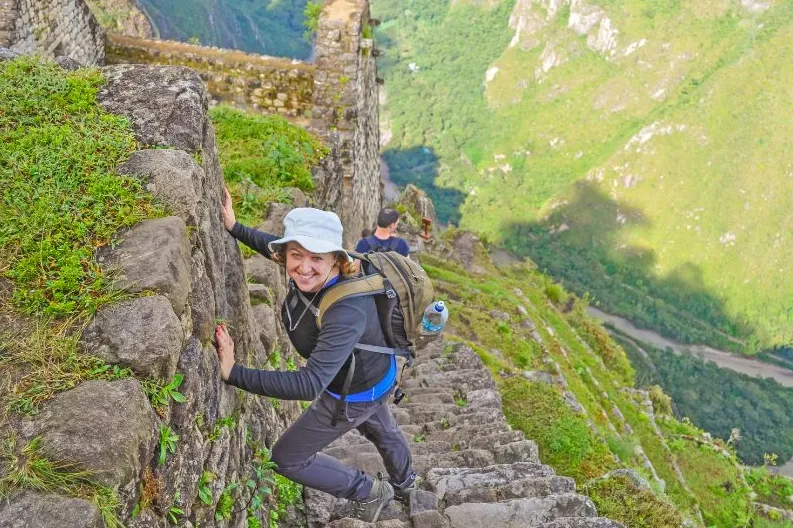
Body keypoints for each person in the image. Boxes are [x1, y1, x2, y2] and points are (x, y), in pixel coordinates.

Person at [215, 189, 416, 523]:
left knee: (286, 458)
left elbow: (309, 384)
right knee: (383, 429)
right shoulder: (310, 266)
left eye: (316, 258)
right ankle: (407, 482)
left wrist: (233, 373)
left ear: (336, 260)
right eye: (296, 255)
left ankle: (368, 490)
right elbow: (274, 246)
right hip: (377, 376)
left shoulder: (347, 310)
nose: (303, 268)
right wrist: (236, 227)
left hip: (350, 392)